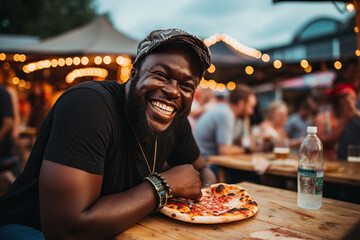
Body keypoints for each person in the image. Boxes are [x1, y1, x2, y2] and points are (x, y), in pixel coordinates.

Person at [0, 29, 216, 239]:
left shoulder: (174, 121)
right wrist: (163, 186)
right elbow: (66, 230)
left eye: (187, 86)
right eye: (160, 75)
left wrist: (202, 200)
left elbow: (202, 170)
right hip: (27, 228)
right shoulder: (88, 105)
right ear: (134, 74)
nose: (173, 91)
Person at [193, 84, 257, 181]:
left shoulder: (238, 118)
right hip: (203, 165)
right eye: (250, 107)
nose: (252, 112)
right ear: (241, 104)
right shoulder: (225, 114)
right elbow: (225, 151)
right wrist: (247, 149)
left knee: (253, 174)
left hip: (213, 161)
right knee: (250, 176)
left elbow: (241, 142)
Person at [314, 83, 359, 160]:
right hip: (327, 163)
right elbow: (322, 143)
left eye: (355, 98)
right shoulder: (322, 118)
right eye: (352, 98)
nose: (354, 102)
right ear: (341, 101)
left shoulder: (355, 117)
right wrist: (344, 120)